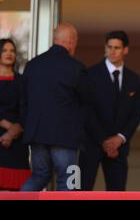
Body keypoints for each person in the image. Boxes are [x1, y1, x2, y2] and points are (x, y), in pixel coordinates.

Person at [20, 23, 91, 191]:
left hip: (36, 135)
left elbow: (23, 102)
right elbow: (88, 100)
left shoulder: (32, 65)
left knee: (39, 176)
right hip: (66, 138)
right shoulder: (76, 68)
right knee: (69, 182)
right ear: (71, 41)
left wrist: (28, 126)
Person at [79, 30, 140, 191]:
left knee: (117, 192)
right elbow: (86, 110)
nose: (112, 51)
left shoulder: (133, 79)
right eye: (109, 47)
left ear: (125, 50)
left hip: (119, 147)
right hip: (91, 144)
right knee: (81, 190)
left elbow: (135, 114)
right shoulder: (90, 74)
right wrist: (105, 141)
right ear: (105, 48)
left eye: (117, 48)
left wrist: (119, 139)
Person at [0, 38, 30, 190]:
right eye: (5, 50)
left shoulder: (22, 81)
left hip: (17, 139)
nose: (9, 54)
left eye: (12, 51)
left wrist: (12, 132)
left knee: (16, 190)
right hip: (2, 134)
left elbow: (26, 109)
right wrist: (5, 125)